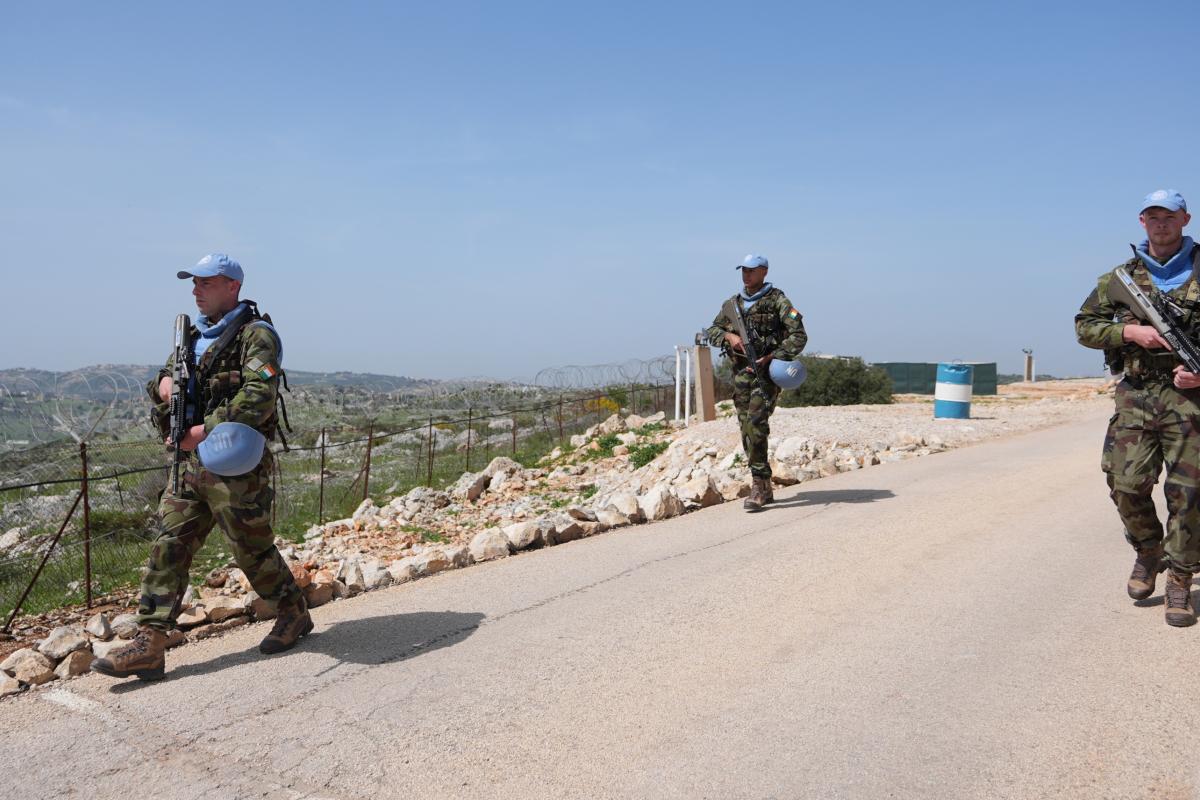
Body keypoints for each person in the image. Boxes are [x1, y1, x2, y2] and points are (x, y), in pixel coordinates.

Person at [92, 253, 312, 680]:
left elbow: (258, 395)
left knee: (250, 547)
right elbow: (160, 377)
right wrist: (162, 385)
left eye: (206, 283)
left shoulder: (256, 336)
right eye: (193, 283)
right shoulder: (191, 337)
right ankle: (150, 644)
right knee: (168, 544)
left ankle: (292, 610)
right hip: (189, 464)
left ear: (232, 286)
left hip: (234, 461)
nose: (196, 290)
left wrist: (203, 429)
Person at [1076, 190, 1200, 627]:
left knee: (1188, 495)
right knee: (1126, 483)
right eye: (1152, 216)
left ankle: (1180, 582)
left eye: (1168, 215)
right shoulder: (1120, 278)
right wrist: (1130, 332)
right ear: (1141, 222)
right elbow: (1085, 326)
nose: (1160, 223)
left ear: (1185, 218)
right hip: (1136, 393)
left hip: (1190, 400)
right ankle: (1150, 551)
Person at [706, 254, 808, 511]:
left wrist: (772, 356)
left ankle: (759, 485)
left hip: (766, 374)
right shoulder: (733, 304)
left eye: (752, 270)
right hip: (741, 374)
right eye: (744, 270)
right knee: (745, 429)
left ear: (763, 271)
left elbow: (798, 335)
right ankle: (764, 484)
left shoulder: (778, 300)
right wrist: (729, 336)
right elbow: (712, 330)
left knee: (756, 424)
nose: (746, 275)